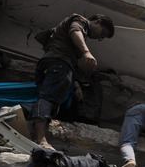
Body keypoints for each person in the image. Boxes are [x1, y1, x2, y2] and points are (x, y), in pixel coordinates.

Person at [31, 13, 114, 150]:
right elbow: (75, 31)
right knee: (48, 98)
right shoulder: (79, 20)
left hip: (50, 62)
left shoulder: (69, 27)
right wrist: (86, 52)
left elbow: (47, 36)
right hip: (60, 63)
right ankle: (40, 138)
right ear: (98, 21)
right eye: (102, 33)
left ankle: (23, 119)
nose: (99, 37)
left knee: (49, 99)